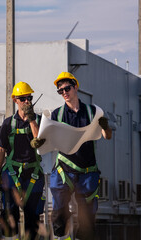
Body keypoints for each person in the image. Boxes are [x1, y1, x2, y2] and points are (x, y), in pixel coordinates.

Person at [48, 72, 112, 240]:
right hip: (64, 170)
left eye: (67, 88)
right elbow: (49, 139)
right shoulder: (57, 115)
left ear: (76, 86)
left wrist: (105, 127)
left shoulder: (92, 112)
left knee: (87, 218)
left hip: (87, 172)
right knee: (59, 212)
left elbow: (107, 136)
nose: (64, 93)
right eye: (60, 91)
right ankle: (62, 238)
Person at [0, 81, 46, 240]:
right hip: (12, 172)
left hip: (33, 173)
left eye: (29, 98)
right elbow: (1, 149)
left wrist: (31, 119)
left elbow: (40, 139)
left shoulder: (40, 120)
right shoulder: (8, 123)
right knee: (9, 214)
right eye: (22, 98)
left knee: (33, 217)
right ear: (15, 100)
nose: (26, 101)